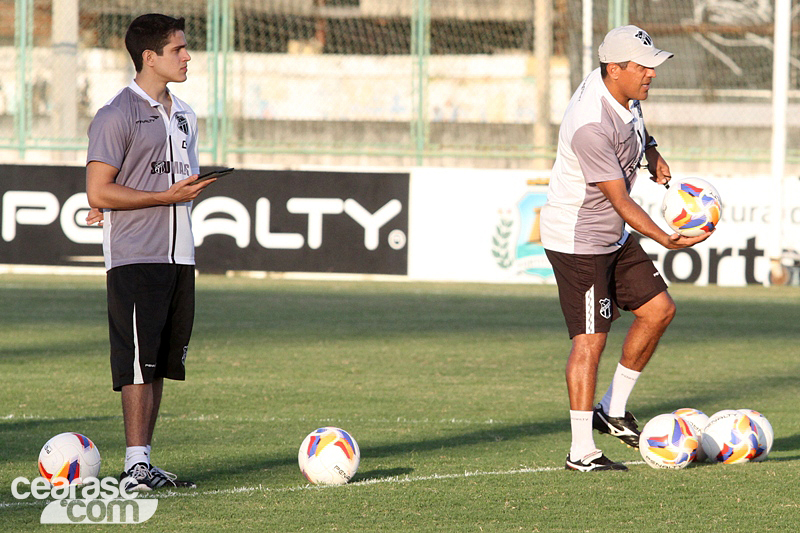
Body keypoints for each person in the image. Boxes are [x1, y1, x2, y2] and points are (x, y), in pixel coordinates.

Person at [539, 25, 713, 472]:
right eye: (643, 67)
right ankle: (581, 451)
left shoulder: (623, 91)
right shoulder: (590, 125)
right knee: (590, 340)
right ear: (613, 68)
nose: (651, 74)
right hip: (580, 243)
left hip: (611, 233)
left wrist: (650, 151)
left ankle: (610, 409)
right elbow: (620, 199)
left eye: (653, 65)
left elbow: (636, 124)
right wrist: (666, 238)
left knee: (659, 310)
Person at [85, 13, 216, 490]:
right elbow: (99, 190)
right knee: (138, 361)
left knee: (158, 357)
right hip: (136, 255)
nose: (187, 56)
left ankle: (144, 460)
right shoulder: (116, 114)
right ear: (149, 57)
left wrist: (182, 190)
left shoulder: (185, 114)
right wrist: (160, 198)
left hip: (180, 255)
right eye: (178, 49)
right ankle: (134, 466)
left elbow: (160, 182)